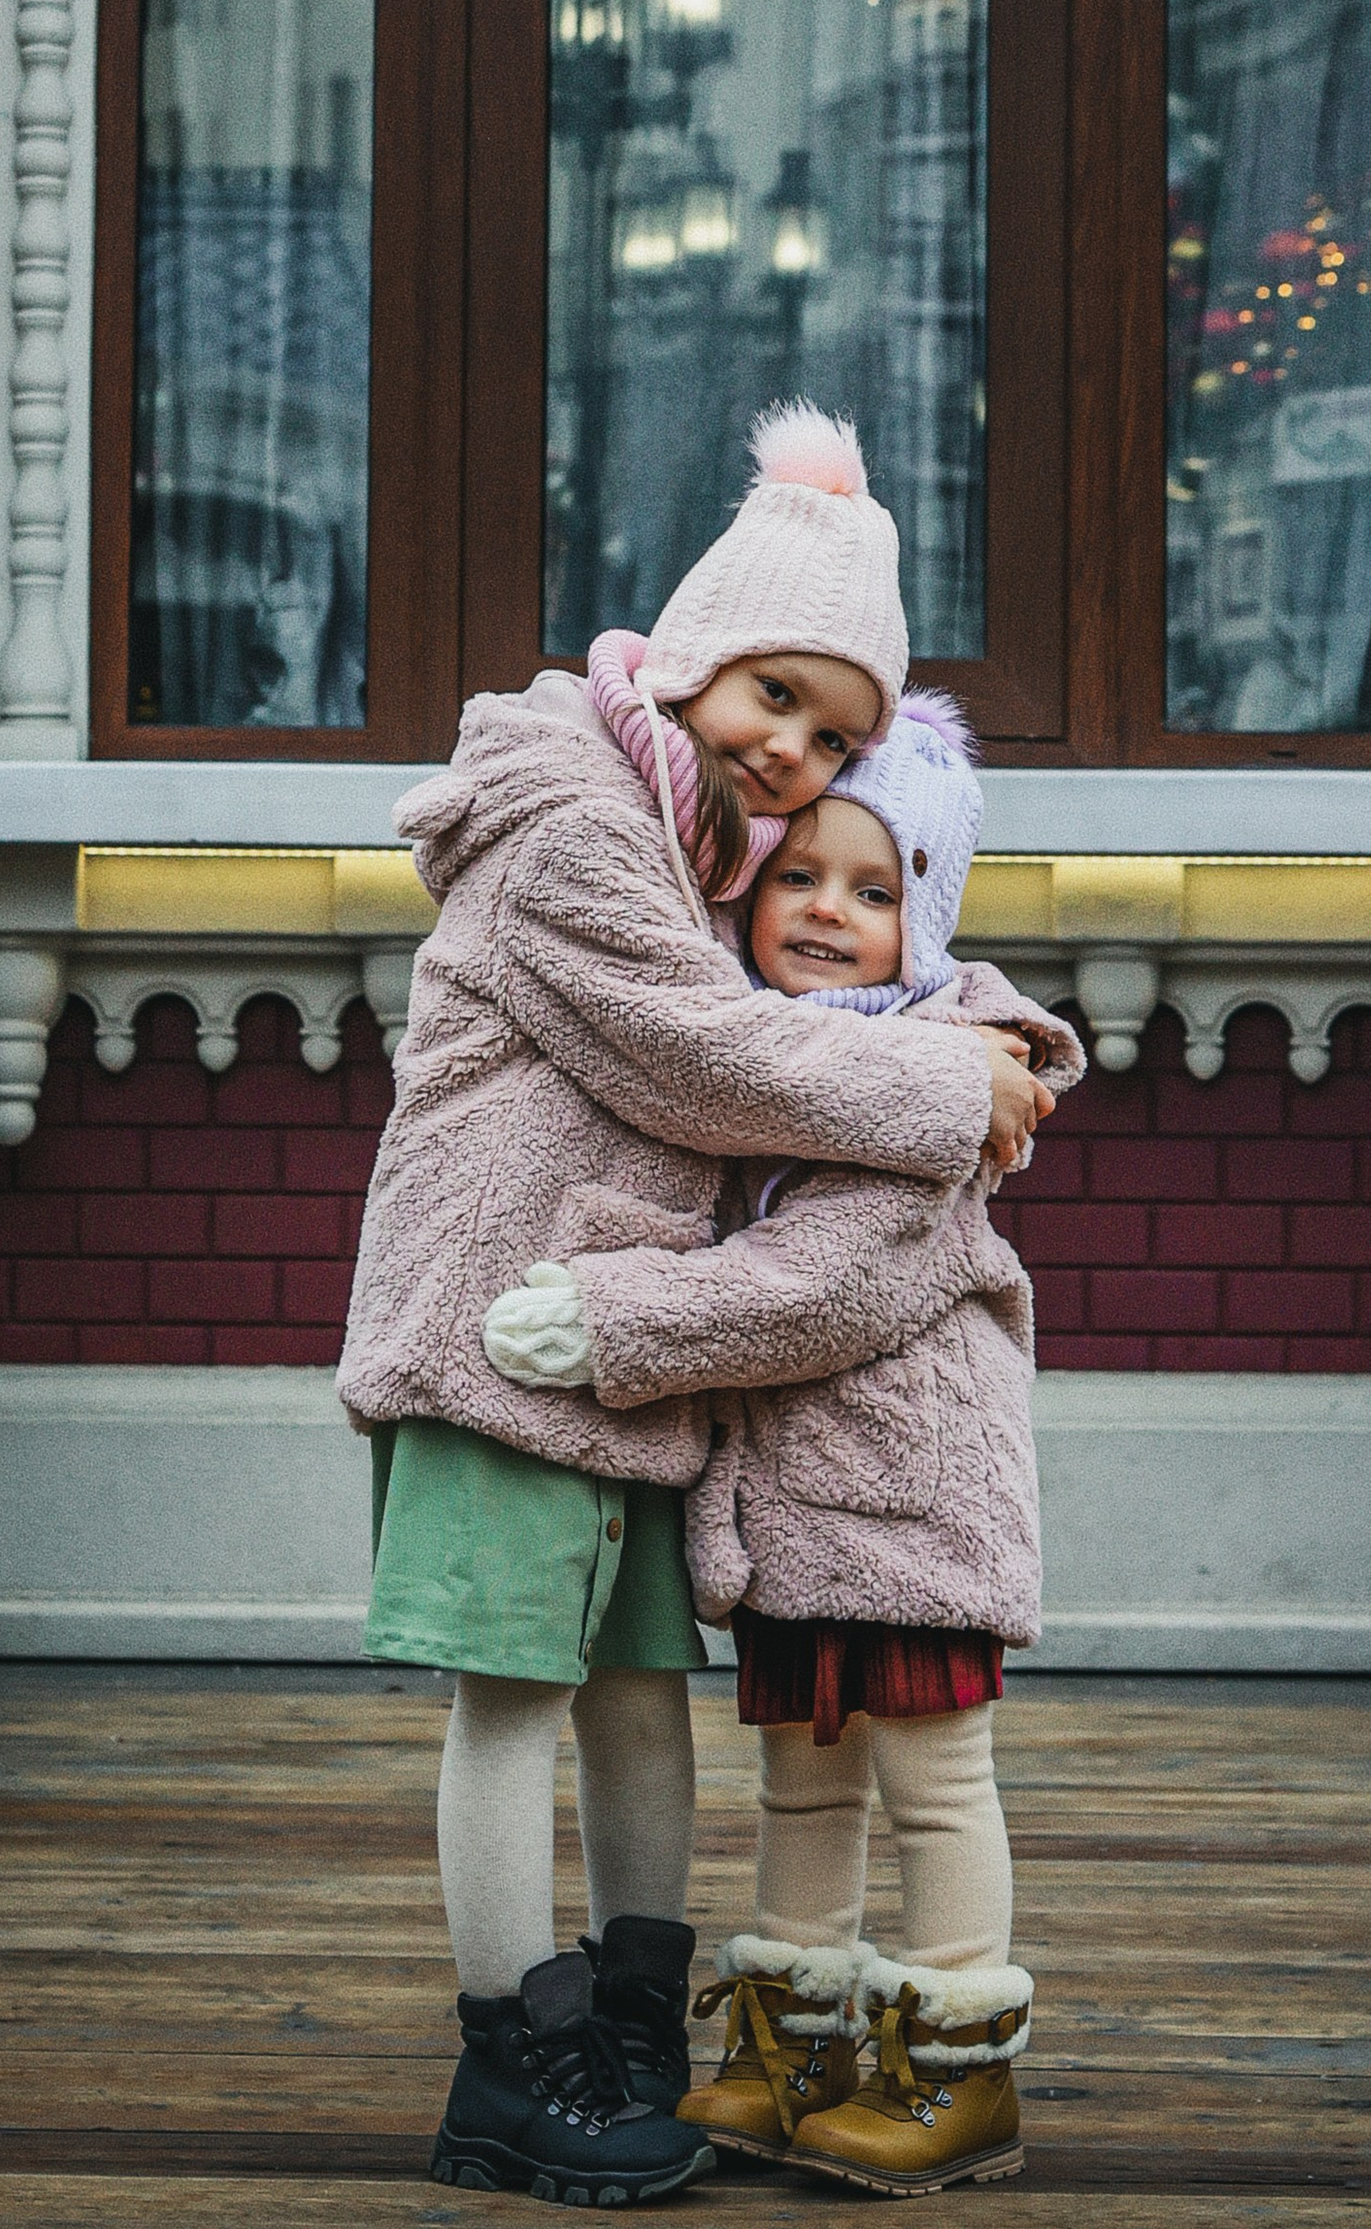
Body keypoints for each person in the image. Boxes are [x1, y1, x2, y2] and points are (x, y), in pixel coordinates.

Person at [338, 404, 1055, 2205]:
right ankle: (512, 2050)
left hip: (629, 1331)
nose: (795, 755)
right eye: (777, 701)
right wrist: (962, 1086)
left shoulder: (706, 842)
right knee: (513, 1685)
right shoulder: (572, 818)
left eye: (836, 736)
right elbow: (701, 1057)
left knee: (639, 1683)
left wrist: (945, 1039)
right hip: (501, 1319)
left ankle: (642, 2019)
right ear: (692, 656)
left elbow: (779, 1025)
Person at [484, 691, 1081, 2196]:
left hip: (911, 1503)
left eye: (875, 893)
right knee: (807, 1782)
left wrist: (617, 1323)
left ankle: (958, 2065)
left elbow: (818, 1286)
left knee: (935, 1784)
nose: (828, 913)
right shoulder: (764, 1057)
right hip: (798, 1515)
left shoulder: (944, 1075)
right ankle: (790, 2038)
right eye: (801, 878)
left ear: (927, 921)